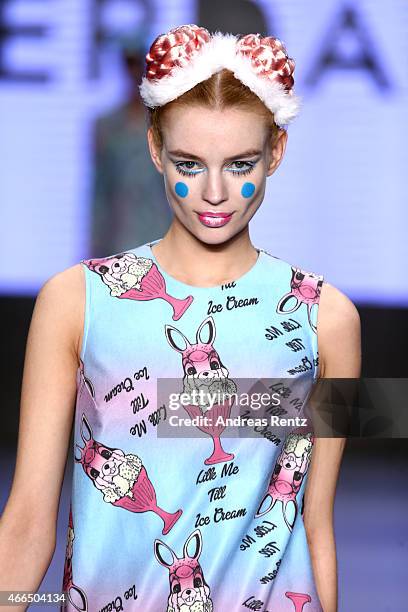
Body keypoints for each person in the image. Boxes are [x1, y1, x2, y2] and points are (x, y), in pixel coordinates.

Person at [0, 24, 361, 612]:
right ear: (153, 149)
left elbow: (316, 525)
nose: (214, 192)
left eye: (240, 162)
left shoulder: (329, 318)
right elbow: (27, 520)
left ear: (277, 151)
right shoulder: (73, 302)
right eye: (188, 163)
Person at [91, 27, 172, 256]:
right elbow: (99, 192)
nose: (134, 69)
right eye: (129, 62)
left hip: (162, 231)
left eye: (138, 62)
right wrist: (94, 244)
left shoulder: (167, 124)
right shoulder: (106, 126)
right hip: (119, 236)